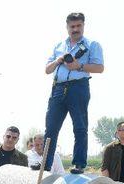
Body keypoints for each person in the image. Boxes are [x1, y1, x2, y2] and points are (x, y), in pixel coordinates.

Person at [43, 12, 104, 174]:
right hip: (58, 88)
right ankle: (46, 165)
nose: (75, 29)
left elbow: (100, 68)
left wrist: (79, 66)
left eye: (78, 26)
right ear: (67, 27)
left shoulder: (92, 45)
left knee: (79, 126)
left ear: (83, 25)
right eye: (72, 26)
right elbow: (47, 70)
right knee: (50, 129)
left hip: (79, 87)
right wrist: (58, 60)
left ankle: (79, 164)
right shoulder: (59, 46)